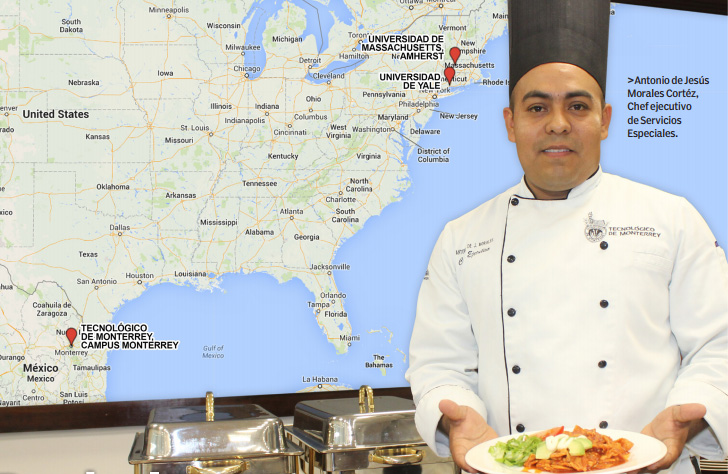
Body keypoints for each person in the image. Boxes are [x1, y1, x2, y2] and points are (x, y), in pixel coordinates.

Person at [404, 1, 728, 473]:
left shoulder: (672, 218)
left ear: (606, 119)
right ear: (511, 124)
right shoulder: (462, 237)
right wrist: (458, 415)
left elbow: (718, 343)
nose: (558, 123)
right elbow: (438, 363)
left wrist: (686, 417)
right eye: (537, 107)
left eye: (578, 105)